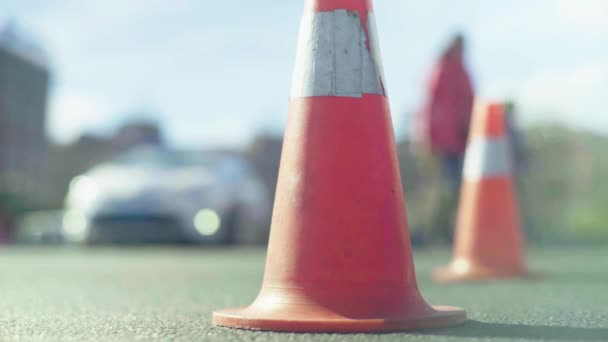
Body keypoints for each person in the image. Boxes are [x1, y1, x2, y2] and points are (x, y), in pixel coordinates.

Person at [414, 34, 475, 243]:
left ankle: (450, 231)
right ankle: (430, 231)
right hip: (441, 143)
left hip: (461, 142)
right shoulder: (441, 70)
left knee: (456, 188)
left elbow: (471, 103)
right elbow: (430, 106)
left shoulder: (464, 73)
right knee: (442, 188)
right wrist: (427, 137)